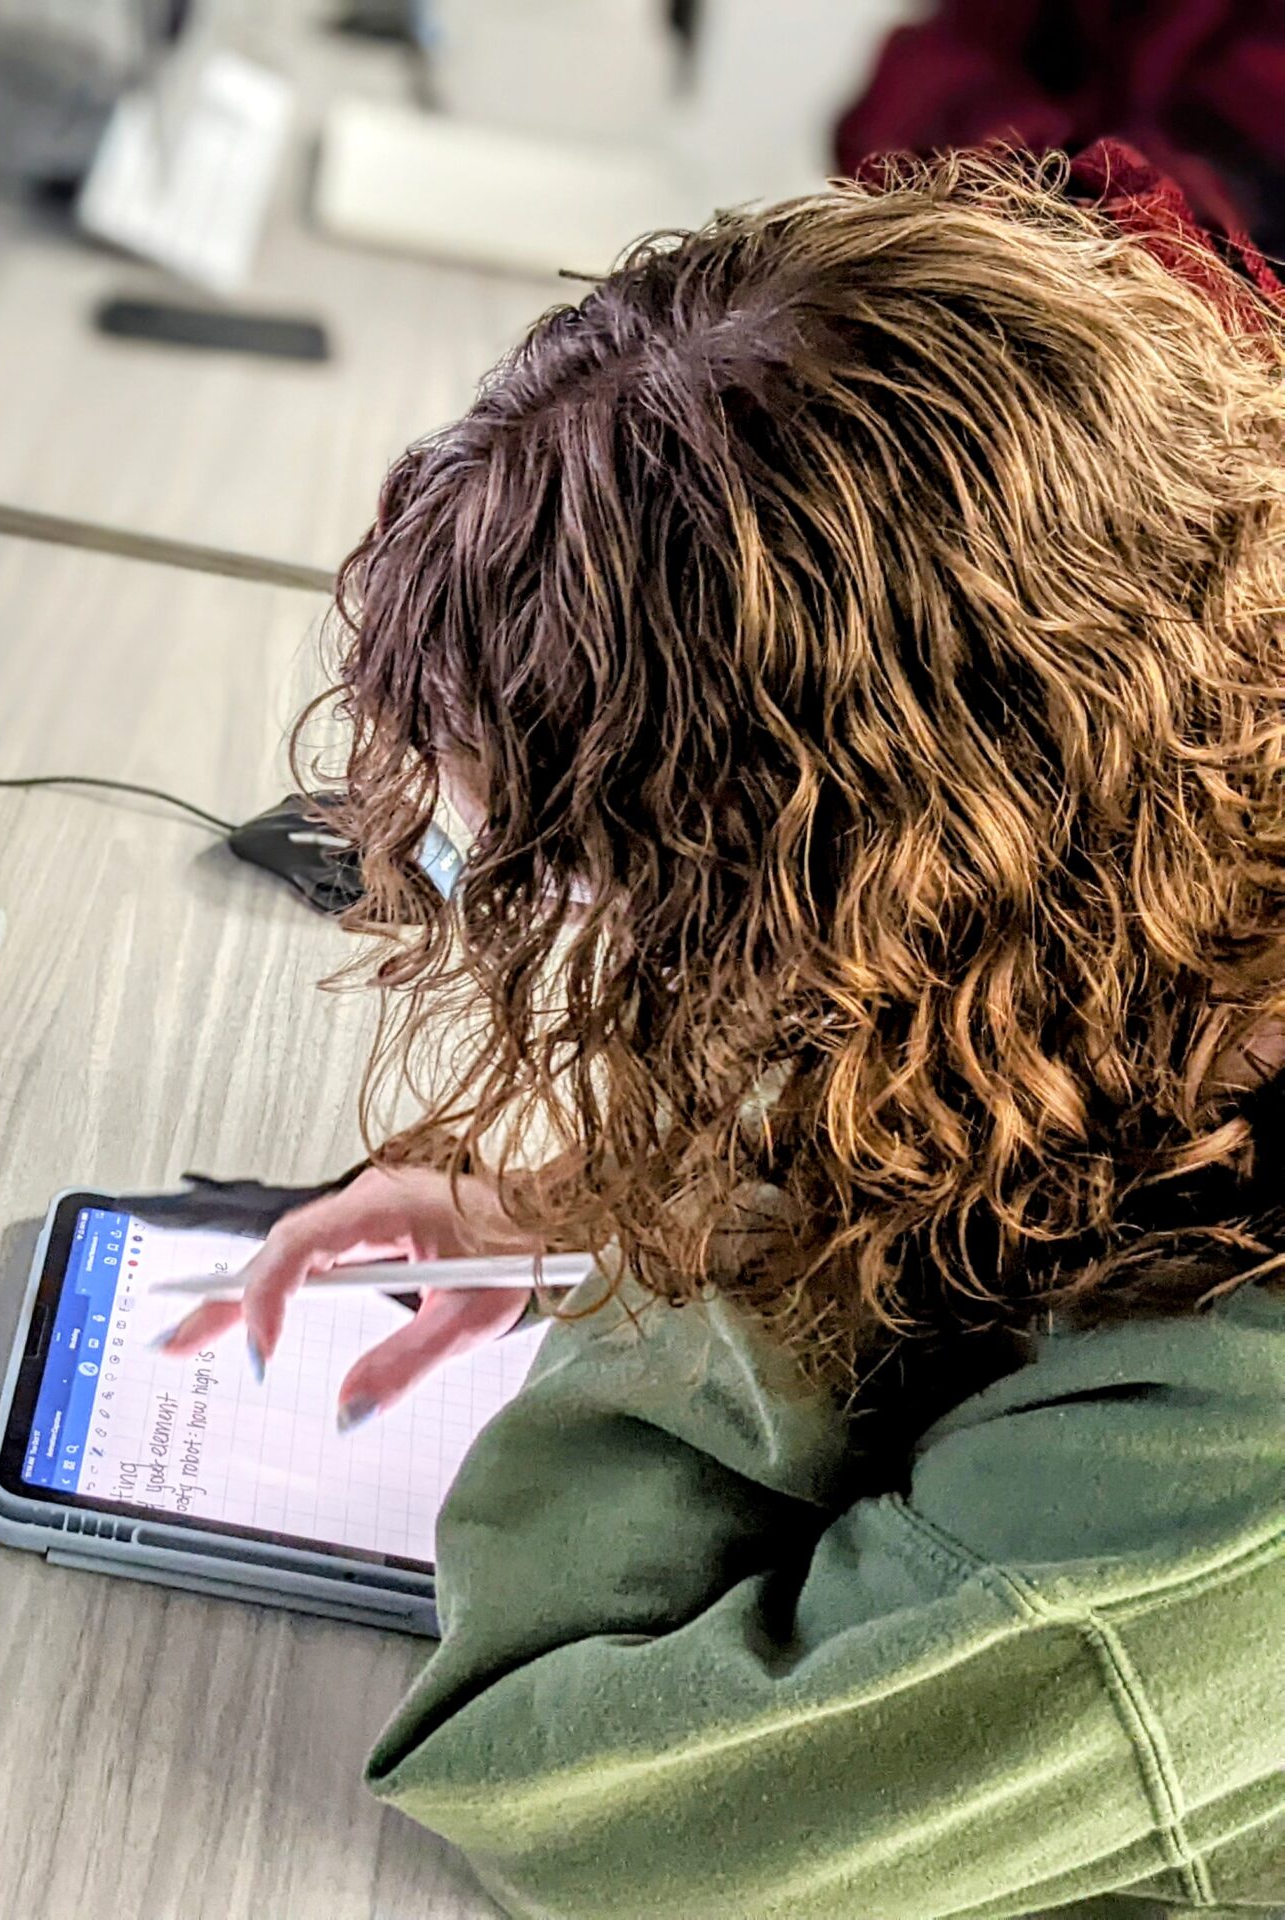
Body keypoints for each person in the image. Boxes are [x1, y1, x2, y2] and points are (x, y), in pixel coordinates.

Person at [164, 146, 1285, 1917]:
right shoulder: (1166, 874)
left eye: (570, 882)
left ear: (870, 908)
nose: (521, 928)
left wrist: (693, 1240)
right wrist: (592, 1189)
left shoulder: (1243, 1431)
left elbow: (588, 1791)